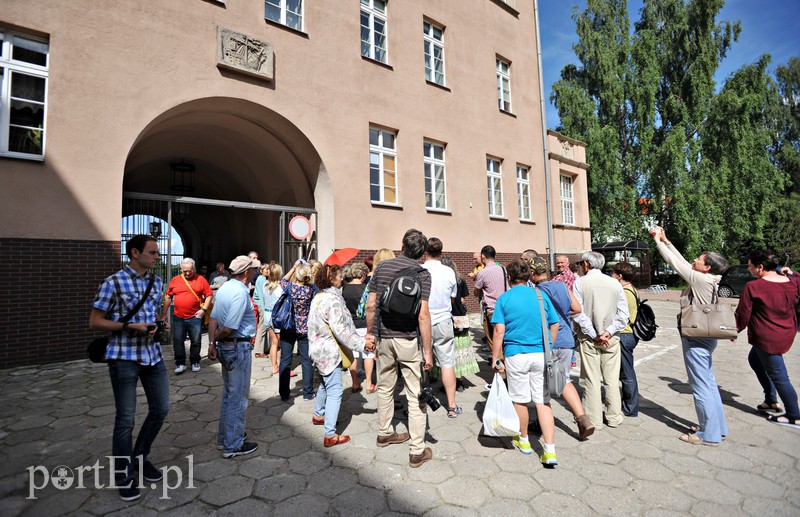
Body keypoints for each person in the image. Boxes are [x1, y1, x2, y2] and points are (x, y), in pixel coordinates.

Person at [89, 234, 169, 501]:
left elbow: (152, 314)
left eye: (157, 252)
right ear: (135, 253)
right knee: (125, 419)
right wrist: (127, 326)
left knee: (161, 409)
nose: (157, 257)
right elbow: (95, 321)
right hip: (123, 357)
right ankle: (123, 476)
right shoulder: (113, 282)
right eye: (153, 252)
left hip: (152, 355)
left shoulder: (156, 282)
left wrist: (159, 325)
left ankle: (140, 457)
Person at [651, 226, 729, 446]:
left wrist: (657, 241)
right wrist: (666, 241)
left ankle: (708, 434)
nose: (695, 259)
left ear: (707, 267)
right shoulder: (708, 278)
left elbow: (675, 263)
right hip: (706, 337)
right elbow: (684, 263)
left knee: (701, 386)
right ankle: (718, 427)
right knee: (709, 383)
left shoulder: (700, 280)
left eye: (699, 259)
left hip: (696, 338)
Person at [366, 229, 434, 468]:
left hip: (384, 337)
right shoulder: (423, 274)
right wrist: (428, 351)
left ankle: (384, 433)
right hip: (408, 339)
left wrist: (370, 334)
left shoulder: (383, 267)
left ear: (402, 246)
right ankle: (417, 451)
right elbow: (423, 315)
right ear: (422, 253)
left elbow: (371, 305)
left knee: (385, 387)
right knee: (415, 394)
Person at [492, 259, 560, 466]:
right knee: (543, 401)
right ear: (529, 275)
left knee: (520, 400)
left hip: (516, 354)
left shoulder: (504, 298)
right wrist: (549, 345)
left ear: (509, 278)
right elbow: (554, 323)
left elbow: (499, 330)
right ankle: (550, 450)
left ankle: (523, 440)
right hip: (540, 353)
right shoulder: (540, 295)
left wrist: (496, 358)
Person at [309, 264, 376, 446]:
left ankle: (318, 415)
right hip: (329, 352)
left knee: (325, 383)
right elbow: (342, 331)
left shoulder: (319, 297)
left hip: (318, 349)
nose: (342, 278)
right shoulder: (333, 301)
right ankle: (330, 435)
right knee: (335, 391)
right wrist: (362, 344)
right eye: (339, 276)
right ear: (331, 279)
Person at [529, 257, 595, 439]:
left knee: (541, 383)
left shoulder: (535, 292)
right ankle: (582, 419)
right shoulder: (562, 286)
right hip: (565, 339)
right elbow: (577, 308)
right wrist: (563, 313)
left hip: (545, 341)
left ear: (532, 274)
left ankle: (542, 423)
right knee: (564, 379)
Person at [735, 251, 800, 429]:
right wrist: (790, 272)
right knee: (755, 360)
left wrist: (734, 330)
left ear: (760, 267)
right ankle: (771, 400)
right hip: (785, 332)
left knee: (779, 376)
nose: (749, 269)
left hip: (767, 337)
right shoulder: (791, 282)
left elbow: (743, 313)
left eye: (750, 266)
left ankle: (794, 415)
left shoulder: (753, 286)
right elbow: (797, 279)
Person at [208, 255, 259, 458]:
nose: (255, 272)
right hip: (237, 347)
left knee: (229, 395)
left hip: (228, 347)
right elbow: (229, 327)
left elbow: (213, 318)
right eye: (253, 269)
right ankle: (233, 444)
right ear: (246, 272)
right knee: (238, 397)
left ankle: (226, 438)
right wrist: (219, 338)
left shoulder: (225, 288)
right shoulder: (239, 292)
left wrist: (212, 343)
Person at [572, 251, 629, 429]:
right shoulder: (615, 283)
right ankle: (614, 416)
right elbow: (623, 314)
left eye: (582, 263)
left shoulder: (580, 282)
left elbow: (577, 312)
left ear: (587, 264)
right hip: (610, 338)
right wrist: (608, 332)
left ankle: (594, 419)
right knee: (611, 379)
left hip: (589, 338)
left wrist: (593, 333)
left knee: (591, 379)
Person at [422, 237, 460, 417]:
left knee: (422, 361)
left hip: (423, 320)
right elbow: (453, 297)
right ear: (441, 252)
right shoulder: (448, 271)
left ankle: (419, 405)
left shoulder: (420, 270)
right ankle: (451, 406)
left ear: (425, 252)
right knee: (447, 363)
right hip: (444, 319)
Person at [162, 258, 212, 374]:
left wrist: (204, 310)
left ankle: (195, 361)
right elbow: (168, 297)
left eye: (190, 270)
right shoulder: (175, 280)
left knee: (196, 340)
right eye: (185, 271)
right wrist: (164, 314)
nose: (188, 273)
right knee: (178, 340)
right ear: (181, 269)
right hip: (178, 316)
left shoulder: (201, 279)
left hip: (195, 317)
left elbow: (209, 295)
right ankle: (180, 363)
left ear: (194, 268)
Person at [278, 261, 318, 401]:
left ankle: (284, 393)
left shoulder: (290, 287)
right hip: (305, 327)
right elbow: (318, 290)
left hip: (289, 326)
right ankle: (308, 393)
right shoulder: (311, 289)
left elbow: (282, 281)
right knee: (306, 361)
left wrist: (293, 268)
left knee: (285, 360)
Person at [441, 257, 479, 390]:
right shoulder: (460, 280)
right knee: (461, 352)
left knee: (446, 352)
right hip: (460, 319)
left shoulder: (441, 281)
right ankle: (460, 382)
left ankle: (447, 383)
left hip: (446, 319)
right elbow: (463, 299)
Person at [612, 262, 640, 417]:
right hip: (630, 334)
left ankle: (630, 407)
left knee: (626, 373)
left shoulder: (624, 292)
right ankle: (627, 403)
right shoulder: (632, 289)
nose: (611, 276)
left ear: (619, 276)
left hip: (624, 334)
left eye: (613, 273)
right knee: (625, 371)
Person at [342, 263, 375, 393]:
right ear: (362, 275)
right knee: (368, 353)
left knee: (354, 354)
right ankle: (369, 384)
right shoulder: (366, 289)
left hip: (350, 324)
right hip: (364, 324)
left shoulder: (345, 288)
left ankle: (355, 382)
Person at [474, 245, 508, 349]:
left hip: (492, 310)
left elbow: (476, 292)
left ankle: (498, 358)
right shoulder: (503, 269)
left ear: (483, 256)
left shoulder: (482, 273)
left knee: (496, 341)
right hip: (506, 308)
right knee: (505, 339)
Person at [263, 263, 285, 375]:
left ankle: (274, 366)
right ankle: (281, 366)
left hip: (267, 315)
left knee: (273, 343)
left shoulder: (265, 285)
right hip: (277, 316)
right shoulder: (280, 289)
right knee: (279, 344)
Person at [254, 263, 269, 359]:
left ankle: (264, 348)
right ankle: (258, 351)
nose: (268, 271)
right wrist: (264, 309)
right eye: (266, 269)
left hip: (263, 305)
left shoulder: (264, 279)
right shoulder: (261, 279)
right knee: (262, 328)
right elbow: (261, 295)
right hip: (262, 305)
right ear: (261, 270)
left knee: (265, 327)